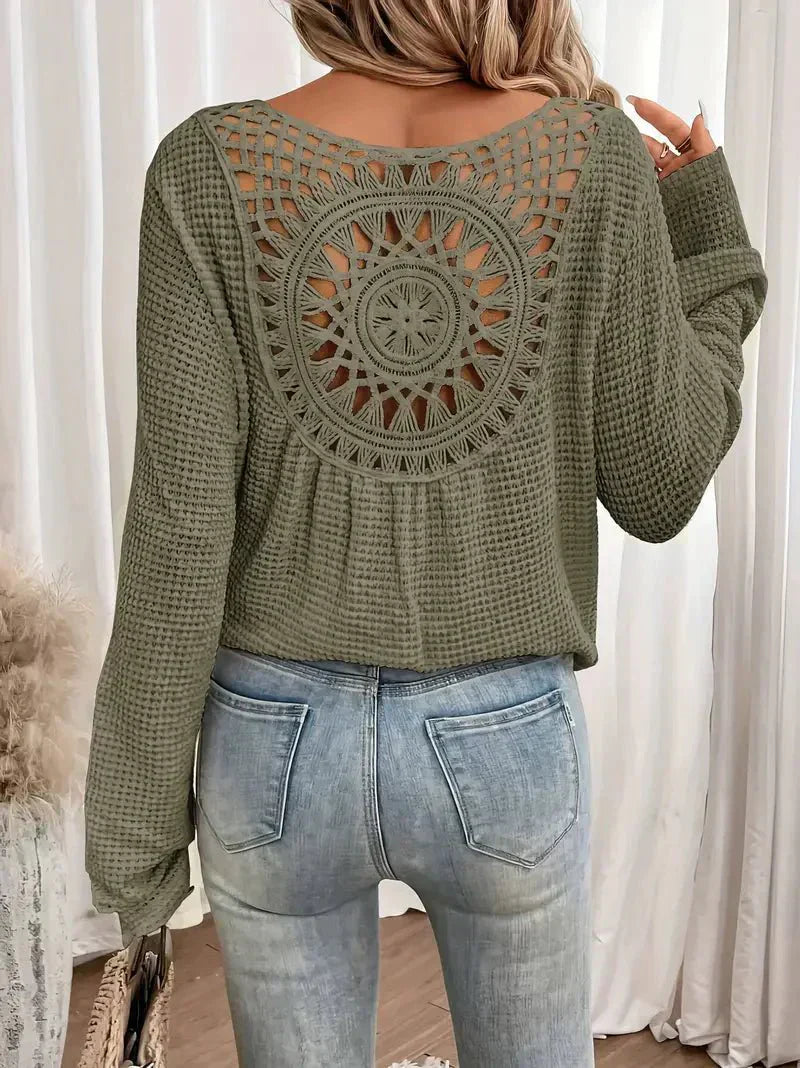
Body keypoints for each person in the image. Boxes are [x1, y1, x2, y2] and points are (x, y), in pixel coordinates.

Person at [83, 1, 767, 1064]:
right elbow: (660, 482)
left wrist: (133, 845)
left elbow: (179, 529)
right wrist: (712, 248)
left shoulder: (208, 166)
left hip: (271, 739)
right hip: (501, 735)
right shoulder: (591, 156)